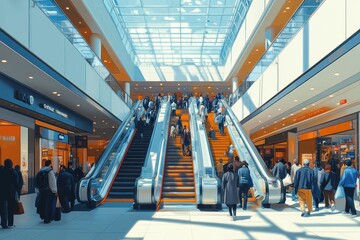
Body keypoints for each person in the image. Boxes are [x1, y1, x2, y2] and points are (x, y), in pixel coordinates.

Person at [0, 159, 18, 229]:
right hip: (10, 192)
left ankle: (3, 223)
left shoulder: (1, 171)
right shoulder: (12, 171)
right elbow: (15, 183)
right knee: (10, 208)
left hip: (2, 192)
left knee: (2, 208)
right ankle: (10, 223)